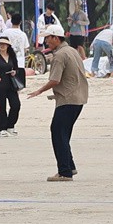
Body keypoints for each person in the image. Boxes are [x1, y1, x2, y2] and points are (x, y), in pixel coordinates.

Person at [27, 25, 88, 181]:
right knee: (64, 133)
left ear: (55, 38)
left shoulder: (60, 55)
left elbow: (55, 80)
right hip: (79, 98)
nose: (46, 41)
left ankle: (65, 171)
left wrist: (39, 91)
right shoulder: (73, 51)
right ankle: (70, 165)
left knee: (57, 132)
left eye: (48, 38)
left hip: (67, 99)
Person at [0, 36, 22, 137]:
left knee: (16, 105)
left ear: (8, 45)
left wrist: (14, 72)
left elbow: (17, 68)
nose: (2, 46)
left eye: (4, 44)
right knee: (0, 107)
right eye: (0, 44)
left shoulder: (12, 56)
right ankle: (1, 128)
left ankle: (10, 125)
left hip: (11, 85)